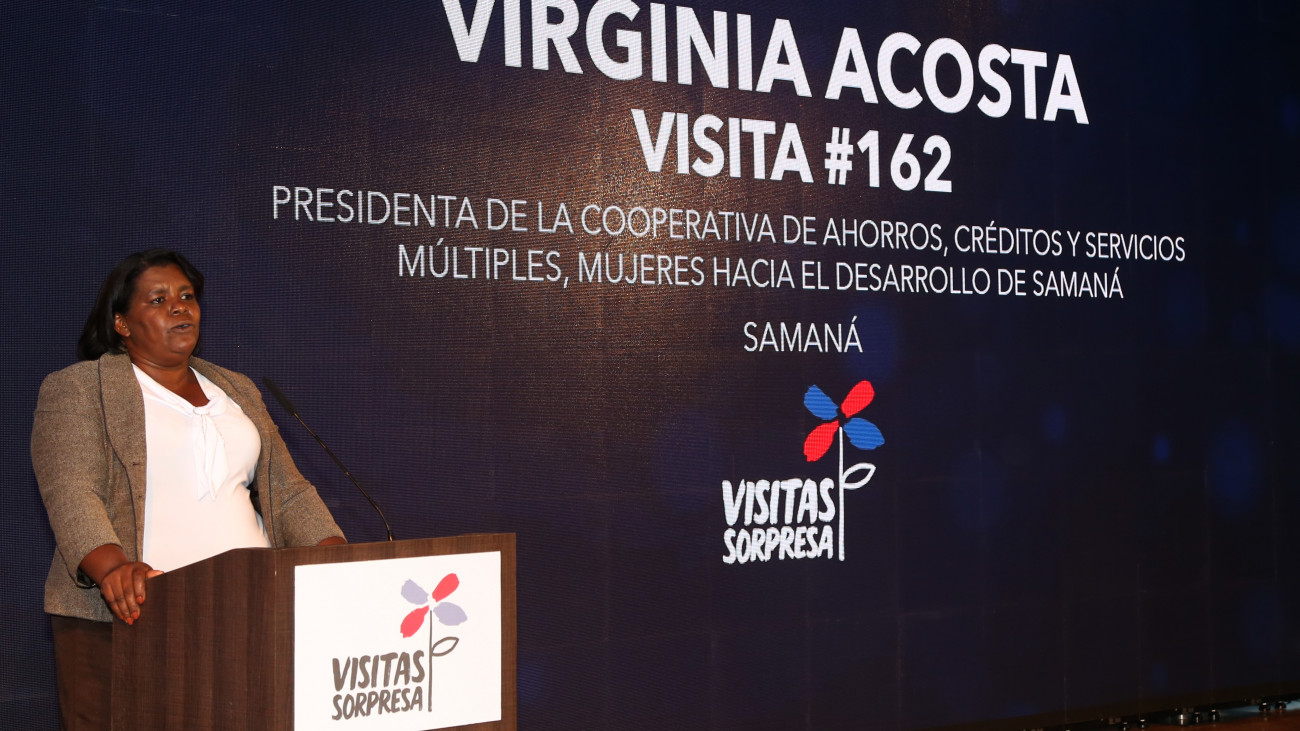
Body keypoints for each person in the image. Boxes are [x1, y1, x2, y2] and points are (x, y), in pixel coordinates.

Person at [32, 249, 346, 728]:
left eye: (187, 296)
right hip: (133, 613)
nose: (180, 306)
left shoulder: (236, 389)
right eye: (158, 299)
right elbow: (72, 490)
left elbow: (287, 490)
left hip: (251, 607)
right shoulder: (81, 387)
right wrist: (113, 568)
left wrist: (332, 551)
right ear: (122, 323)